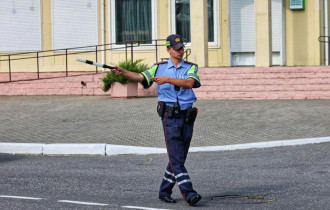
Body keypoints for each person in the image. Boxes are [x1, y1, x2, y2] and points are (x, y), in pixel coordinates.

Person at [112, 34, 202, 206]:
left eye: (182, 48)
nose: (180, 51)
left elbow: (190, 83)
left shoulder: (191, 67)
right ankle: (189, 193)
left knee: (179, 156)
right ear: (168, 50)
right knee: (176, 156)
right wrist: (123, 72)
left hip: (188, 115)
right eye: (176, 49)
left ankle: (164, 190)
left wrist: (167, 79)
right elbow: (140, 77)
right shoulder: (158, 68)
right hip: (170, 116)